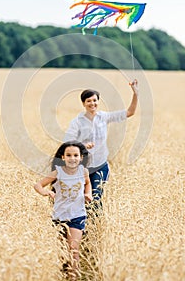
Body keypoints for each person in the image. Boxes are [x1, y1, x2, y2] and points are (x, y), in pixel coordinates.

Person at [64, 79, 138, 211]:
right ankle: (82, 229)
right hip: (82, 168)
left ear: (98, 101)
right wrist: (83, 146)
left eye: (94, 100)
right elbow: (67, 142)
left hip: (100, 166)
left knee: (96, 198)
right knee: (82, 198)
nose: (92, 103)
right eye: (89, 101)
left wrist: (135, 93)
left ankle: (96, 227)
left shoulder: (104, 117)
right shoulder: (77, 122)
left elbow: (129, 112)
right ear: (83, 103)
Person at [34, 141, 93, 280]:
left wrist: (88, 193)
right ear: (63, 157)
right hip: (59, 216)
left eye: (75, 155)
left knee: (74, 249)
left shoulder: (83, 171)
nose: (72, 158)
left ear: (80, 157)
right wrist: (46, 193)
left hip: (77, 215)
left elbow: (88, 183)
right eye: (69, 155)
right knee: (62, 251)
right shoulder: (57, 173)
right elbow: (38, 185)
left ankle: (73, 277)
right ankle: (62, 275)